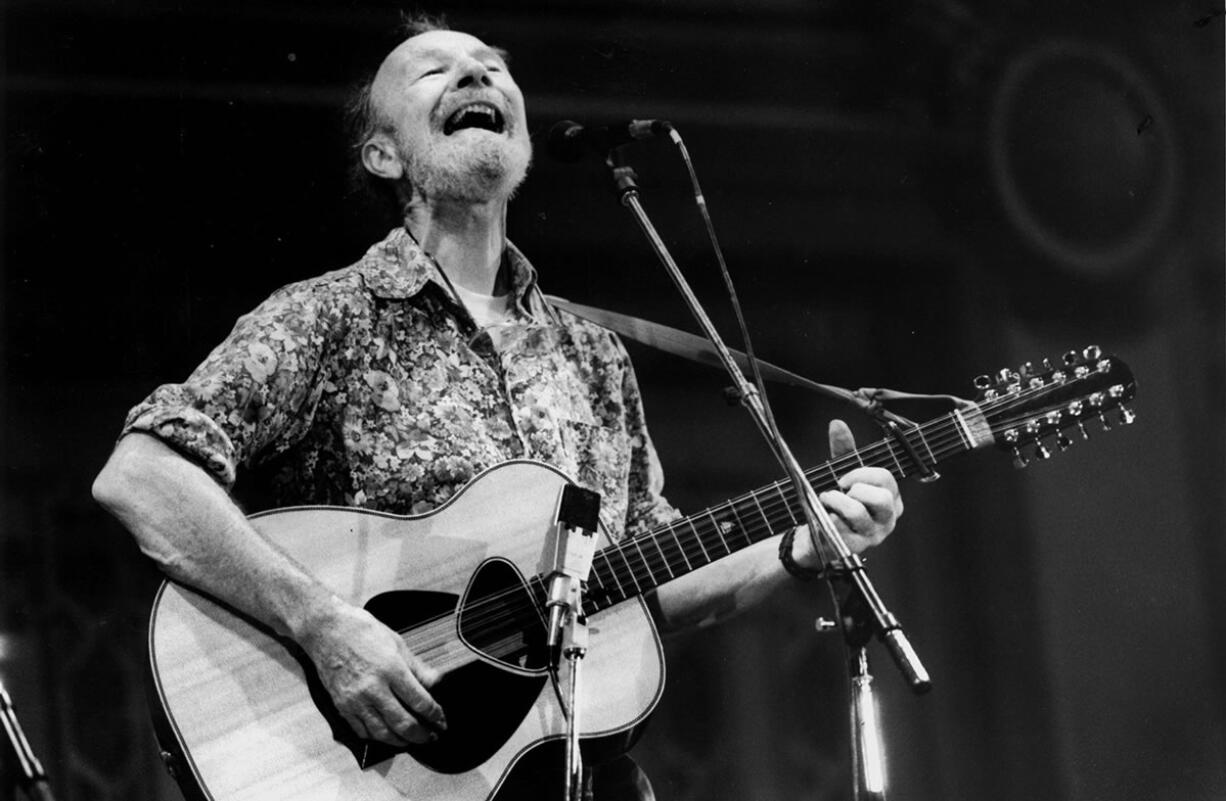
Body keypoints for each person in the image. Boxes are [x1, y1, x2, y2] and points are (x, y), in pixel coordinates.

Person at [92, 15, 903, 801]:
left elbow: (647, 582)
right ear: (383, 155)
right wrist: (324, 626)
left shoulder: (592, 355)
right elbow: (141, 477)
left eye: (492, 63)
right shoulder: (327, 317)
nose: (477, 74)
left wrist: (799, 546)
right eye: (434, 71)